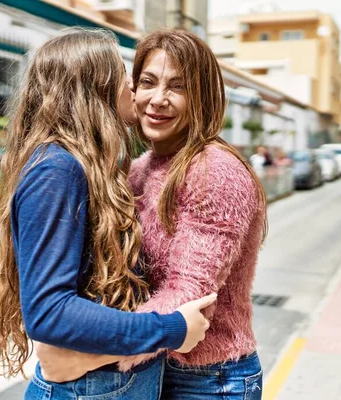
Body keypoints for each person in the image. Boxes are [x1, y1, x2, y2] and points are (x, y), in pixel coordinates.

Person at [0, 28, 216, 400]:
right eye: (127, 80)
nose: (135, 92)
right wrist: (170, 329)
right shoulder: (58, 169)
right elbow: (51, 311)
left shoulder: (87, 166)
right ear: (97, 89)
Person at [37, 29, 268, 399]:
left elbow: (190, 296)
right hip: (153, 369)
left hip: (209, 380)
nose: (157, 100)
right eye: (147, 82)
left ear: (203, 97)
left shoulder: (215, 170)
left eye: (177, 87)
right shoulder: (142, 168)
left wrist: (88, 357)